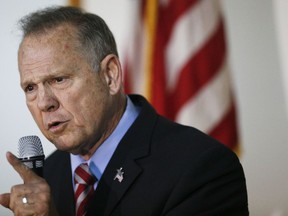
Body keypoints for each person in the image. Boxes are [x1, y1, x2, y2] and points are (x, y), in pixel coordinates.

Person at [0, 6, 248, 216]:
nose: (44, 102)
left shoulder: (201, 167)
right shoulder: (48, 176)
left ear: (110, 75)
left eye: (59, 79)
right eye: (30, 87)